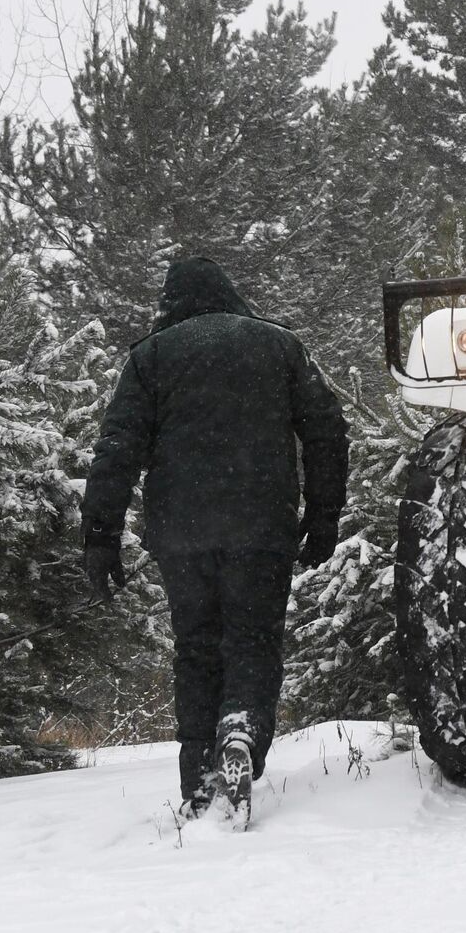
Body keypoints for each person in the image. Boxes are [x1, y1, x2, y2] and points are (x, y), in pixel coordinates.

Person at [82, 257, 348, 826]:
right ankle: (242, 728)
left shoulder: (151, 356)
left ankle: (199, 779)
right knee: (252, 639)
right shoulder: (280, 346)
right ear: (230, 293)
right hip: (262, 526)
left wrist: (100, 535)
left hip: (182, 534)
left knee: (197, 647)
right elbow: (327, 428)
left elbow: (117, 449)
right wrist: (324, 515)